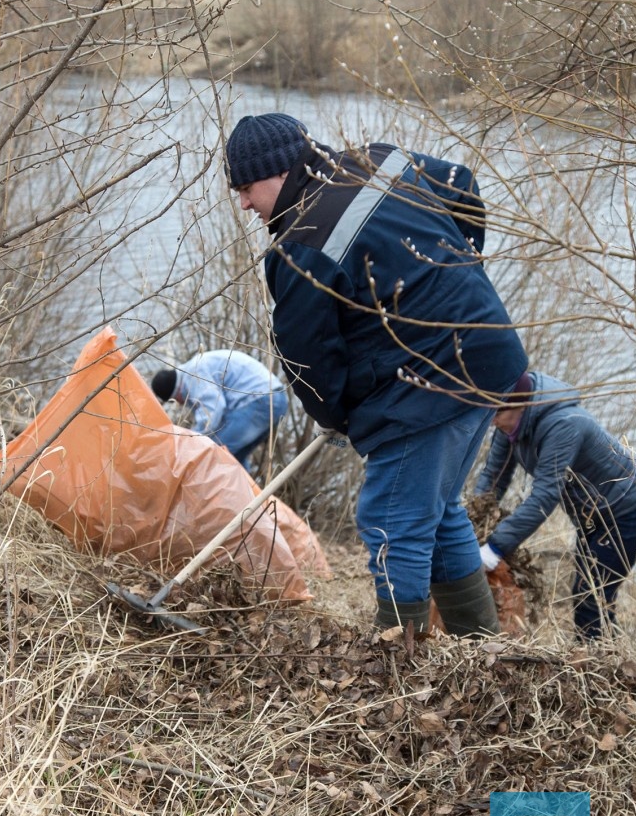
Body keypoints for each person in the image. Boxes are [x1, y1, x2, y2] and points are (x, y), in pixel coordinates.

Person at [224, 112, 530, 637]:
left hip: (426, 390)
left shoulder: (300, 247)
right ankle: (479, 654)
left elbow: (308, 361)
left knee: (393, 522)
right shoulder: (380, 158)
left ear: (280, 172)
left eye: (248, 188)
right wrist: (461, 273)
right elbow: (462, 185)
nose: (245, 204)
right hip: (489, 356)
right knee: (437, 510)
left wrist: (340, 418)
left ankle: (402, 670)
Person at [473, 371, 636, 640]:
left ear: (520, 405)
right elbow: (494, 476)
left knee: (590, 594)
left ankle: (598, 662)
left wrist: (495, 547)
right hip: (592, 515)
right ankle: (611, 653)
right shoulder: (511, 425)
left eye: (495, 414)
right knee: (594, 594)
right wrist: (472, 522)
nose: (492, 422)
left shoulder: (563, 425)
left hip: (632, 510)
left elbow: (545, 496)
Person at [151, 349, 288, 474]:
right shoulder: (193, 369)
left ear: (176, 393)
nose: (182, 404)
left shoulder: (193, 375)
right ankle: (251, 497)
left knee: (213, 454)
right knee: (233, 458)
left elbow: (212, 412)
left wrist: (191, 440)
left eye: (178, 400)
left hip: (261, 401)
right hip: (274, 399)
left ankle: (238, 498)